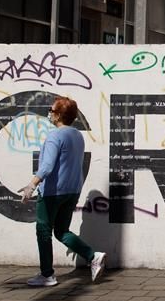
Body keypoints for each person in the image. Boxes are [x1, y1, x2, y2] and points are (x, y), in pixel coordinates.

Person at [21, 96, 106, 287]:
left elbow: (47, 166)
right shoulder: (77, 135)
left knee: (43, 230)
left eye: (52, 111)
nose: (49, 114)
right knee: (61, 231)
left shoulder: (54, 136)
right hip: (72, 190)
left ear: (59, 115)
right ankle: (93, 256)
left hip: (52, 191)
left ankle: (47, 275)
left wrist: (32, 184)